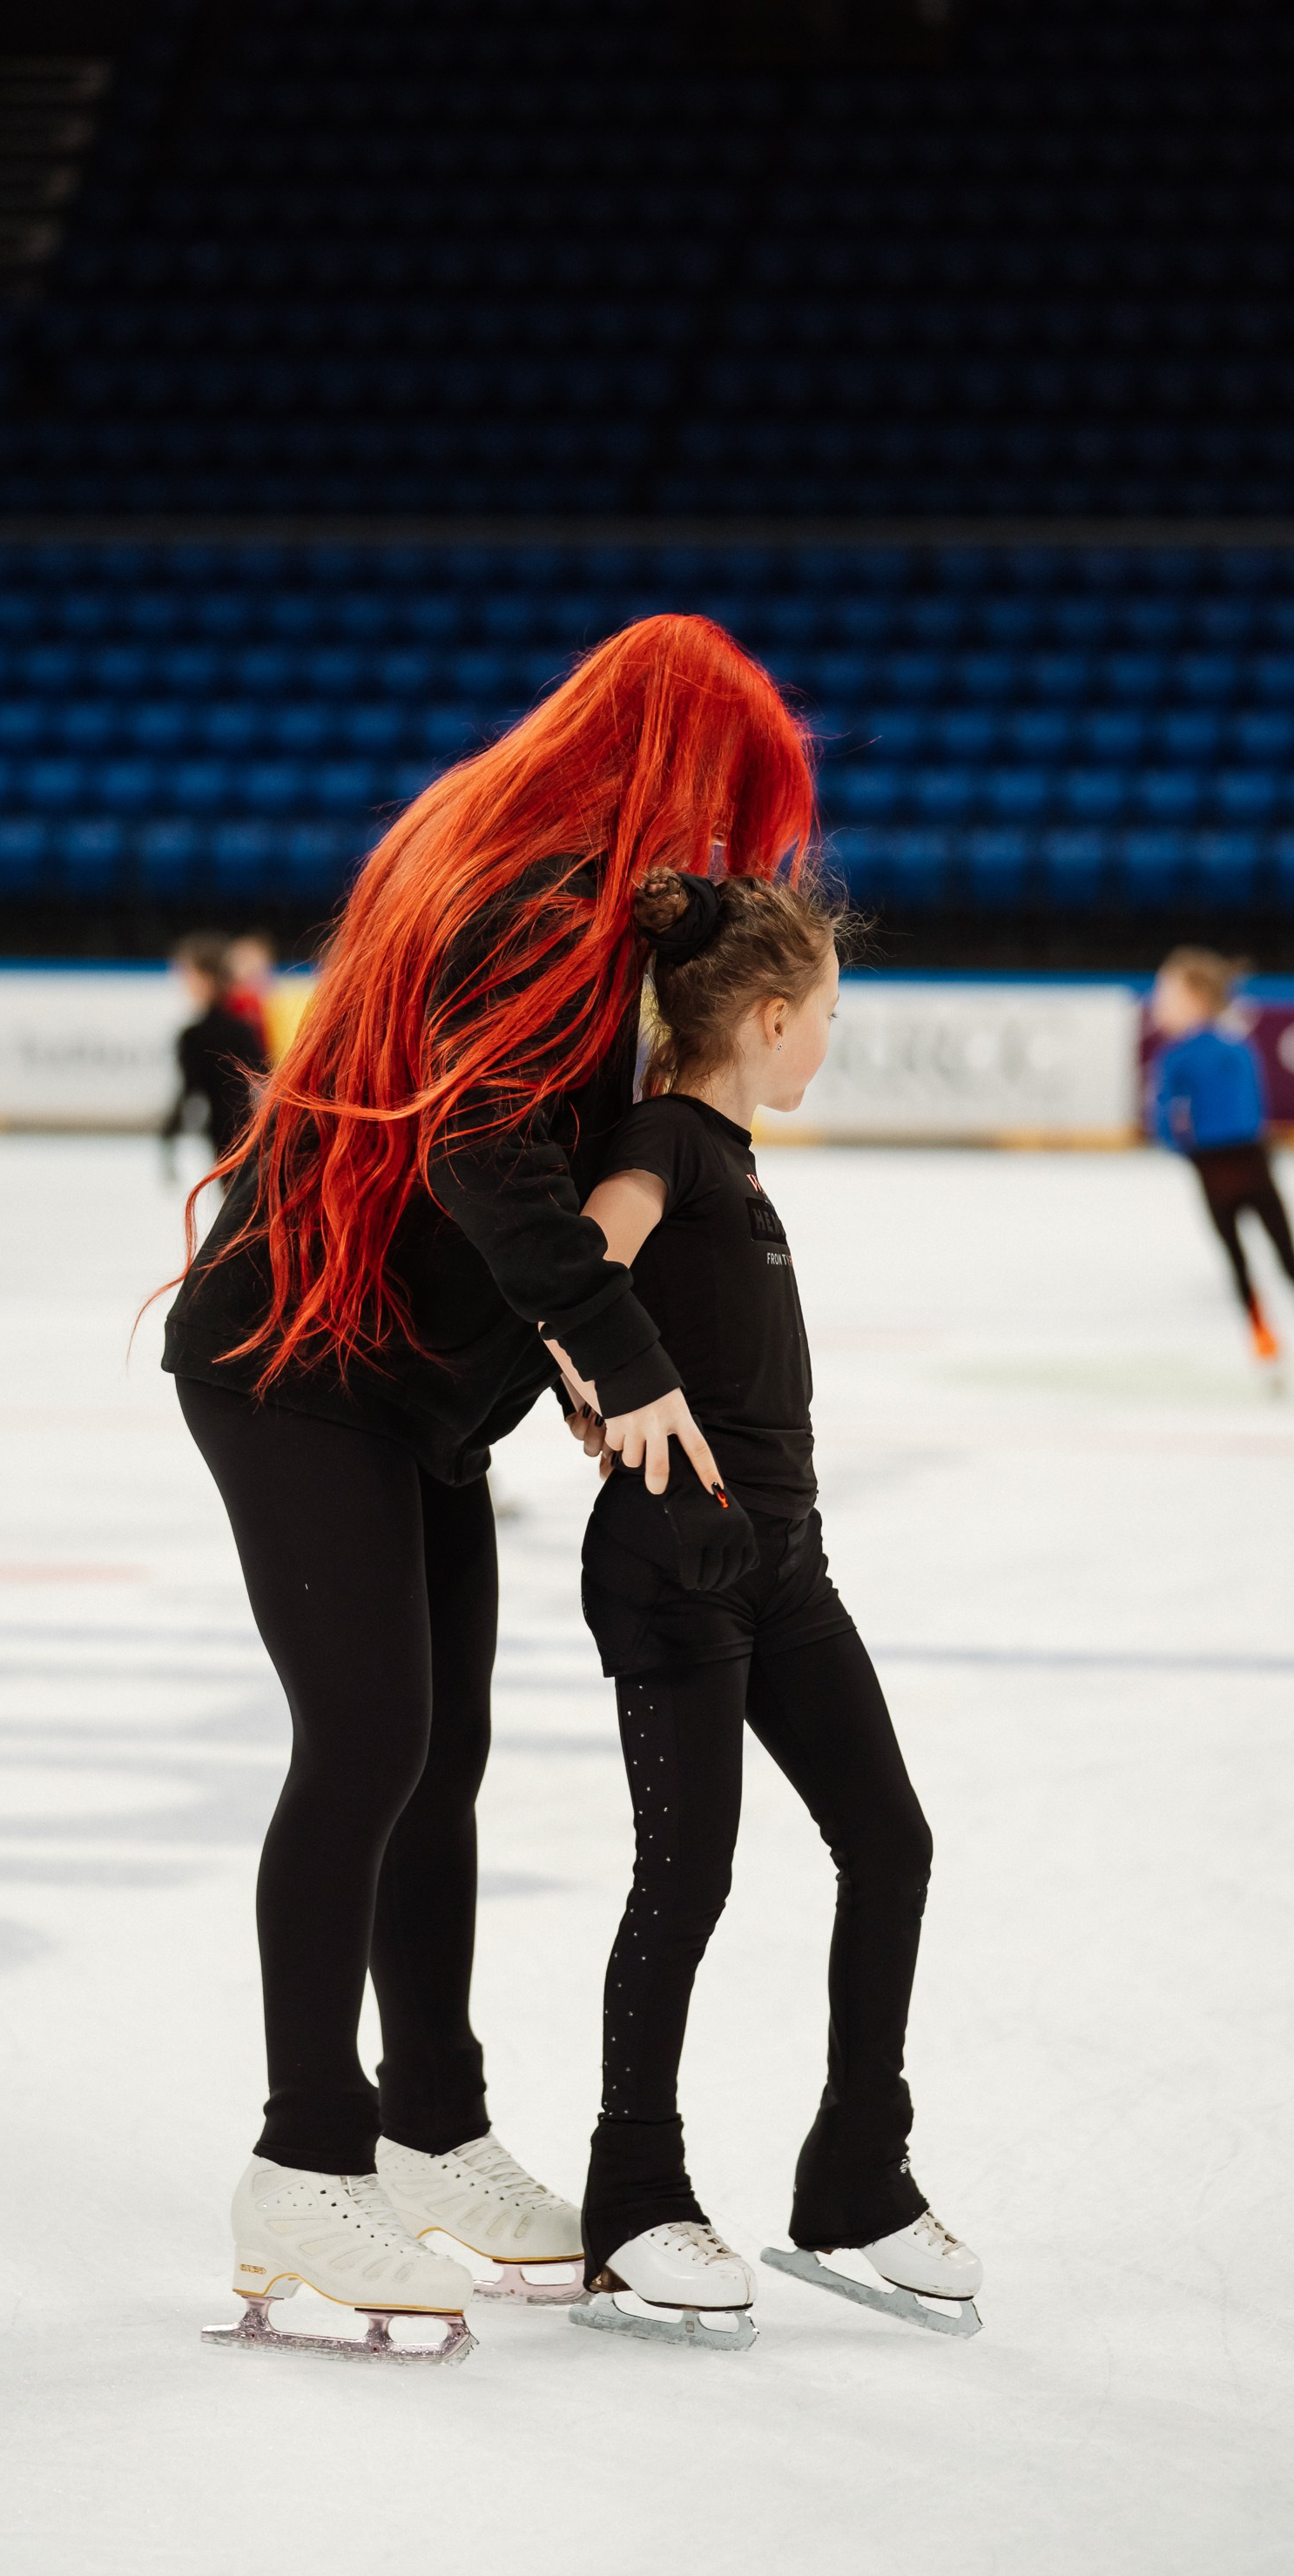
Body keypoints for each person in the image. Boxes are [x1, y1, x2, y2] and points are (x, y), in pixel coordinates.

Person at [158, 615, 815, 2359]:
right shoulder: (533, 896)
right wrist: (617, 1352)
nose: (735, 847)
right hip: (292, 1372)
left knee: (438, 1752)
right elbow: (475, 1153)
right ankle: (305, 2158)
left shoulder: (572, 903)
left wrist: (560, 1365)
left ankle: (427, 2127)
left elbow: (488, 1198)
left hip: (403, 1387)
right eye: (733, 805)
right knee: (368, 1744)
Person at [557, 869, 981, 2351]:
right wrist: (595, 1377)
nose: (832, 1047)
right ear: (769, 1016)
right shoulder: (669, 1138)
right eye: (830, 1021)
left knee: (890, 1838)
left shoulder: (724, 1150)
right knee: (687, 1879)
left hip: (783, 1565)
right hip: (677, 1566)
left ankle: (857, 2174)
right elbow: (580, 1262)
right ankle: (630, 2201)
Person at [1149, 948, 1294, 1382]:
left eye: (1166, 994)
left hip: (1227, 1166)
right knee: (1263, 1260)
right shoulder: (1216, 1049)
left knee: (1269, 1260)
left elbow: (1169, 1122)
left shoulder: (1201, 1052)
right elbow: (1181, 1118)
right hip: (1239, 1162)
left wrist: (1190, 1144)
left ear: (1196, 1000)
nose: (1157, 1003)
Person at [161, 932, 270, 1174]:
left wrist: (168, 1139)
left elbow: (189, 1092)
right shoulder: (241, 1028)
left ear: (207, 978)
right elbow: (265, 1076)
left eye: (187, 974)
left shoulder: (195, 1036)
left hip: (226, 1134)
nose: (183, 981)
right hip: (248, 1131)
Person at [220, 931, 276, 1060]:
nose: (250, 967)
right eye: (244, 961)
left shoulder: (274, 998)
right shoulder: (229, 1001)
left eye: (255, 961)